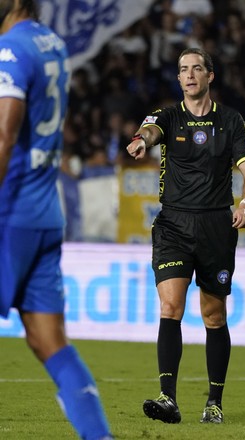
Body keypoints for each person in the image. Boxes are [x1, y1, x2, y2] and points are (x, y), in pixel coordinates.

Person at [126, 47, 245, 425]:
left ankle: (214, 403)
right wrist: (141, 140)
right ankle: (167, 398)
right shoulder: (169, 116)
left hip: (217, 227)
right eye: (183, 69)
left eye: (196, 69)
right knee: (170, 307)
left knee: (213, 315)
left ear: (209, 76)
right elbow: (150, 129)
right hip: (174, 225)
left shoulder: (231, 121)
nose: (189, 75)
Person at [0, 2, 114, 439]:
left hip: (12, 213)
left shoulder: (11, 50)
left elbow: (5, 133)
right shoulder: (53, 45)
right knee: (47, 340)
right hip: (46, 212)